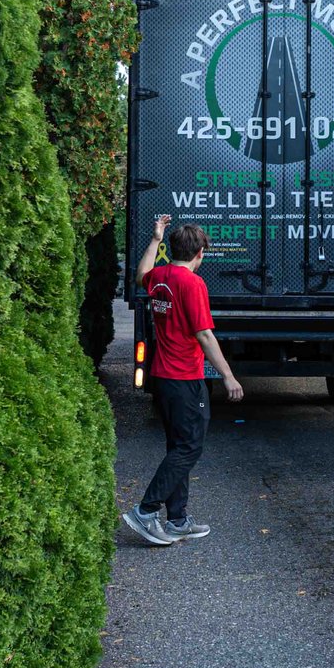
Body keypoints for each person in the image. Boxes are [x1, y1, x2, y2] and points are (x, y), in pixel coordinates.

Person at [124, 214, 243, 547]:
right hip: (184, 379)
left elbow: (139, 276)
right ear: (200, 253)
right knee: (189, 447)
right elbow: (204, 334)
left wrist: (154, 238)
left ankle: (177, 519)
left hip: (162, 376)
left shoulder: (161, 276)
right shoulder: (193, 283)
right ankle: (145, 511)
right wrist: (229, 376)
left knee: (179, 447)